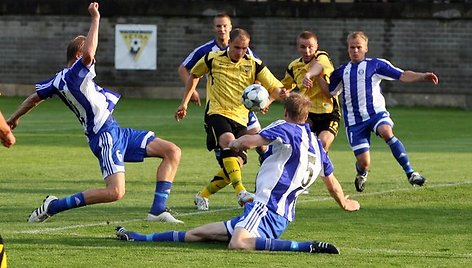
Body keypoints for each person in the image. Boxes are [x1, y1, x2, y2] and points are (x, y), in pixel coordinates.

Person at [116, 93, 360, 254]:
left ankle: (307, 247)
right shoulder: (317, 145)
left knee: (238, 243)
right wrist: (345, 203)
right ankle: (137, 238)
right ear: (306, 117)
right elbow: (332, 184)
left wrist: (234, 143)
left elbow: (253, 141)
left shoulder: (285, 127)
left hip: (266, 207)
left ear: (287, 114)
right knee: (197, 234)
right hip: (279, 215)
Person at [6, 3, 183, 224]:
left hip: (116, 131)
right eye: (89, 55)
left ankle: (157, 210)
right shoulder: (74, 74)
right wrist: (96, 18)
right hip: (104, 136)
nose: (94, 59)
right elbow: (90, 53)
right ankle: (54, 205)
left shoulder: (58, 79)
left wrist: (14, 118)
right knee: (115, 192)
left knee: (172, 151)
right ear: (78, 55)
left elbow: (34, 98)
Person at [175, 28, 285, 210]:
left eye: (244, 48)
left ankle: (202, 196)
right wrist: (184, 103)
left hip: (241, 118)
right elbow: (194, 75)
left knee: (235, 165)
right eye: (237, 47)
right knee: (228, 142)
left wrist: (272, 99)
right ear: (229, 44)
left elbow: (275, 87)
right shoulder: (212, 59)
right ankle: (241, 193)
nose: (240, 52)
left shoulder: (254, 64)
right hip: (216, 113)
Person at [326, 31, 439, 192]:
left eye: (359, 47)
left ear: (366, 48)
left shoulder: (376, 65)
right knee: (364, 162)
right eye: (352, 47)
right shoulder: (340, 72)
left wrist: (423, 76)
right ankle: (361, 173)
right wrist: (316, 78)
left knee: (386, 131)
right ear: (348, 49)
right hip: (355, 121)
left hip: (376, 114)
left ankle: (411, 173)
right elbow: (330, 93)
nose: (355, 50)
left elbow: (402, 75)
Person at [281, 31, 340, 153]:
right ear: (298, 47)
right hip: (307, 113)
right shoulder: (294, 66)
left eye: (310, 47)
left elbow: (319, 66)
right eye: (303, 47)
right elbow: (284, 88)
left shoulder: (322, 56)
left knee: (322, 143)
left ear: (316, 46)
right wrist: (270, 100)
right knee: (302, 144)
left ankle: (324, 167)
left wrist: (308, 75)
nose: (307, 51)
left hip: (328, 112)